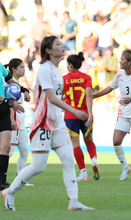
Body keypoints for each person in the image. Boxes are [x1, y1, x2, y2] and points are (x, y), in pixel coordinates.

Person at [1, 36, 94, 211]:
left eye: (61, 43)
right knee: (38, 166)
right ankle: (10, 192)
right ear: (49, 51)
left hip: (57, 122)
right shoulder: (44, 69)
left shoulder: (58, 71)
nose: (62, 46)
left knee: (68, 160)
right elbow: (50, 97)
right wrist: (74, 111)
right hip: (42, 122)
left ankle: (73, 201)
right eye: (57, 44)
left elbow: (57, 96)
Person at [93, 48, 131, 181]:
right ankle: (126, 167)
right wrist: (96, 95)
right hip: (123, 113)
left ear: (129, 62)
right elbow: (110, 88)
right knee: (116, 141)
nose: (120, 61)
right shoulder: (119, 74)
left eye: (122, 60)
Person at [63, 52, 100, 181]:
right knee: (89, 140)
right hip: (85, 114)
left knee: (75, 144)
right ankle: (94, 160)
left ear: (71, 65)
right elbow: (89, 96)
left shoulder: (64, 79)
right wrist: (90, 115)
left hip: (70, 115)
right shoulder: (87, 78)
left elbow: (61, 98)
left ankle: (83, 173)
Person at [0, 62, 28, 191]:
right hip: (5, 104)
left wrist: (23, 89)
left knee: (5, 147)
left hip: (4, 111)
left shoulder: (0, 66)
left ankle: (2, 182)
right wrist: (8, 101)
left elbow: (9, 79)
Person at [5, 59, 33, 186]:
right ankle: (2, 178)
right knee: (8, 152)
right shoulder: (8, 86)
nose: (24, 70)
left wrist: (27, 95)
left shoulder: (19, 86)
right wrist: (12, 120)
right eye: (21, 67)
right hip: (14, 123)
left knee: (24, 151)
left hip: (21, 124)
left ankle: (20, 180)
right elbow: (9, 105)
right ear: (13, 70)